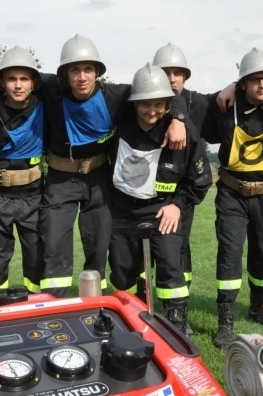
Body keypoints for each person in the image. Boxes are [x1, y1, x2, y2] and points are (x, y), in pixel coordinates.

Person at [37, 35, 187, 297]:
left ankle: (93, 305)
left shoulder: (116, 96)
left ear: (97, 72)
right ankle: (54, 307)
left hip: (99, 179)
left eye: (88, 69)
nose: (82, 77)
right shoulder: (51, 88)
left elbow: (164, 93)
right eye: (74, 70)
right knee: (54, 245)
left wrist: (179, 119)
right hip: (61, 179)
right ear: (64, 74)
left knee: (98, 245)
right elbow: (5, 75)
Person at [198, 48, 263, 347]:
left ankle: (255, 305)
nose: (262, 85)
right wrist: (226, 87)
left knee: (262, 252)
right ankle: (225, 321)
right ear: (242, 84)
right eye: (254, 80)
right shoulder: (225, 106)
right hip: (231, 193)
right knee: (230, 252)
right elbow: (189, 101)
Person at [107, 63, 211, 334]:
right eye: (145, 105)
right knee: (122, 273)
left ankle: (176, 327)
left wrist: (177, 205)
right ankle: (128, 321)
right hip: (122, 211)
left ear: (168, 103)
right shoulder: (119, 118)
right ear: (134, 104)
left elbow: (199, 180)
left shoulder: (183, 129)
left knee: (169, 267)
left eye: (159, 105)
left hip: (163, 210)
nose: (152, 112)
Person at [152, 43, 214, 334]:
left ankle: (179, 316)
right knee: (141, 256)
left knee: (177, 252)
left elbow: (232, 100)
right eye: (166, 73)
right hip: (145, 194)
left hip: (181, 193)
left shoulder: (198, 104)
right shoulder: (143, 99)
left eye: (178, 73)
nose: (172, 78)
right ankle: (145, 310)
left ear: (186, 77)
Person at [0, 47, 45, 296]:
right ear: (2, 82)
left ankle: (36, 307)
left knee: (37, 256)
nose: (18, 85)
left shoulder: (45, 103)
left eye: (24, 78)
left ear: (34, 82)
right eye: (12, 79)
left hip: (34, 193)